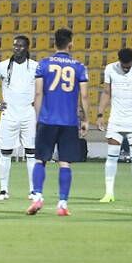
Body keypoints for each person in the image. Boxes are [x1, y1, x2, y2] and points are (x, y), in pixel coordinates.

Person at [28, 28, 90, 217]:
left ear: (54, 43)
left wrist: (38, 118)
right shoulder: (79, 66)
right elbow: (84, 96)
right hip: (69, 121)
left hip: (47, 119)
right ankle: (62, 203)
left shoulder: (43, 65)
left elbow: (38, 93)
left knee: (40, 159)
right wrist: (86, 119)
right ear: (70, 44)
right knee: (65, 163)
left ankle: (37, 196)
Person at [97, 47, 132, 203]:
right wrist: (100, 114)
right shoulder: (110, 68)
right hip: (116, 120)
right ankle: (109, 193)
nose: (126, 68)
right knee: (112, 156)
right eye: (124, 66)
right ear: (119, 61)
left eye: (128, 66)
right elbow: (106, 92)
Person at [0, 35, 39, 200]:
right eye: (15, 45)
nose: (17, 48)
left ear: (27, 48)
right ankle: (3, 190)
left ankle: (33, 191)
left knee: (31, 152)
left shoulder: (36, 67)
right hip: (9, 114)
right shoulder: (3, 66)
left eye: (21, 46)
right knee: (5, 152)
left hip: (28, 113)